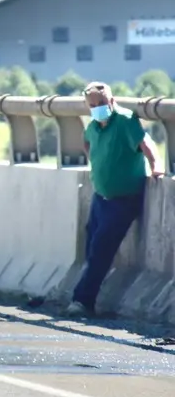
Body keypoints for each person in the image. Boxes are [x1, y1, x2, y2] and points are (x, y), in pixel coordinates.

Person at [67, 81, 162, 316]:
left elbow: (146, 143)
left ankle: (82, 301)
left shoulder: (125, 120)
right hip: (101, 197)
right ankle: (86, 293)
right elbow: (86, 141)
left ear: (111, 100)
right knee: (91, 243)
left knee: (100, 248)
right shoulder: (94, 126)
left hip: (123, 199)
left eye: (101, 103)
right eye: (92, 105)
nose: (97, 108)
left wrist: (156, 165)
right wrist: (96, 161)